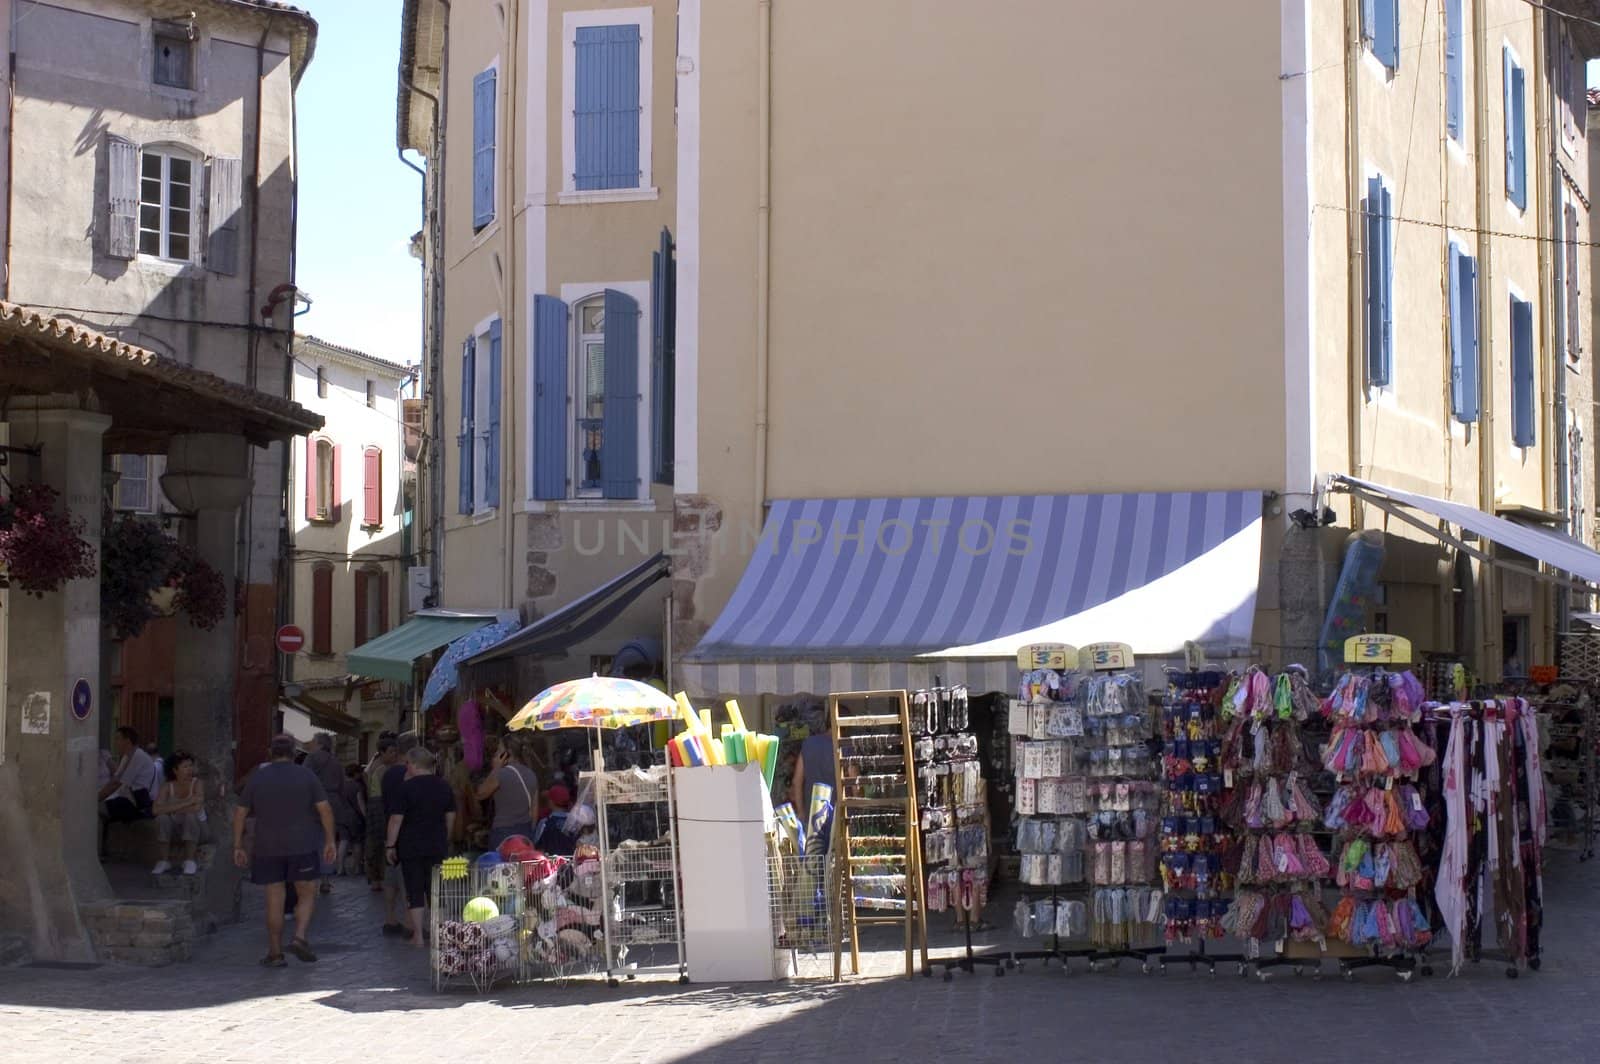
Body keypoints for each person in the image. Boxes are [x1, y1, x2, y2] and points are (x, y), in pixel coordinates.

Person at [232, 734, 336, 968]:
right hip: (304, 844)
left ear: (271, 753)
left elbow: (240, 812)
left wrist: (237, 845)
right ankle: (299, 937)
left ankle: (275, 953)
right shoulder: (306, 775)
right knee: (307, 893)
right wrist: (330, 841)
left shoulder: (258, 777)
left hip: (267, 847)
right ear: (294, 753)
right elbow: (325, 810)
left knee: (274, 899)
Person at [386, 747, 456, 948]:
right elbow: (451, 815)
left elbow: (395, 820)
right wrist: (447, 837)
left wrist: (390, 845)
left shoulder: (405, 788)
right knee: (436, 889)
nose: (406, 766)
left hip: (411, 845)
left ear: (415, 765)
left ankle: (418, 936)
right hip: (437, 844)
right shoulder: (444, 786)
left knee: (414, 889)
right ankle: (439, 934)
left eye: (407, 763)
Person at [379, 732, 420, 936]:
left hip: (389, 828)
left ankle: (389, 918)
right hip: (407, 828)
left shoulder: (387, 774)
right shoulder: (411, 772)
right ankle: (409, 922)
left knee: (391, 876)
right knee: (407, 876)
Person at [100, 726, 158, 854]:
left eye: (118, 739)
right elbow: (115, 780)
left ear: (127, 741)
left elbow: (116, 784)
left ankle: (98, 850)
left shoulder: (138, 756)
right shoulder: (127, 757)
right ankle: (101, 849)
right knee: (100, 810)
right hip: (129, 800)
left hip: (138, 804)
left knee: (98, 810)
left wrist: (96, 798)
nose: (115, 742)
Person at [475, 736, 539, 850]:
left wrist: (495, 768)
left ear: (506, 753)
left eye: (499, 750)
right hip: (525, 833)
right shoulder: (531, 774)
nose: (496, 753)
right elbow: (534, 812)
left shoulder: (501, 774)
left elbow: (480, 794)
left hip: (503, 832)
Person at [304, 733, 349, 894]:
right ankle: (325, 880)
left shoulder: (311, 758)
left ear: (319, 743)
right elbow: (343, 786)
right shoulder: (336, 761)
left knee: (311, 839)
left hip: (314, 802)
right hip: (333, 801)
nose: (311, 744)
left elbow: (304, 779)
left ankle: (311, 877)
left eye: (313, 741)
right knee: (328, 840)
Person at [151, 751, 205, 875]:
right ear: (175, 770)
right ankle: (164, 861)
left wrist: (169, 808)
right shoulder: (167, 786)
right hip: (175, 829)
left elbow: (195, 809)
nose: (190, 769)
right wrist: (188, 802)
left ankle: (189, 861)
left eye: (191, 765)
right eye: (185, 767)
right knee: (162, 818)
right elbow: (155, 810)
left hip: (199, 829)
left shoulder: (197, 783)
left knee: (190, 817)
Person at [788, 731, 837, 853]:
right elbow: (855, 786)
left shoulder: (809, 744)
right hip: (837, 817)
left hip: (812, 817)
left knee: (814, 865)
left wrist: (800, 812)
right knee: (836, 862)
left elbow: (796, 781)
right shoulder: (843, 745)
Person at [364, 735, 399, 892]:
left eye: (395, 752)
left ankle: (377, 879)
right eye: (391, 752)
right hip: (379, 805)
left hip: (376, 805)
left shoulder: (375, 766)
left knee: (377, 842)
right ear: (382, 753)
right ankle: (380, 878)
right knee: (380, 841)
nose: (394, 755)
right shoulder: (381, 769)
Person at [339, 763, 367, 875]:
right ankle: (356, 867)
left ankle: (340, 868)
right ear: (355, 773)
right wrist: (366, 816)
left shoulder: (341, 786)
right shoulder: (357, 786)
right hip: (355, 818)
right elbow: (361, 804)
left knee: (343, 841)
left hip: (342, 816)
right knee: (357, 842)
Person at [533, 783, 577, 856]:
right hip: (572, 864)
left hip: (550, 865)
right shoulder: (576, 822)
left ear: (551, 802)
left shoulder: (545, 823)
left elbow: (537, 845)